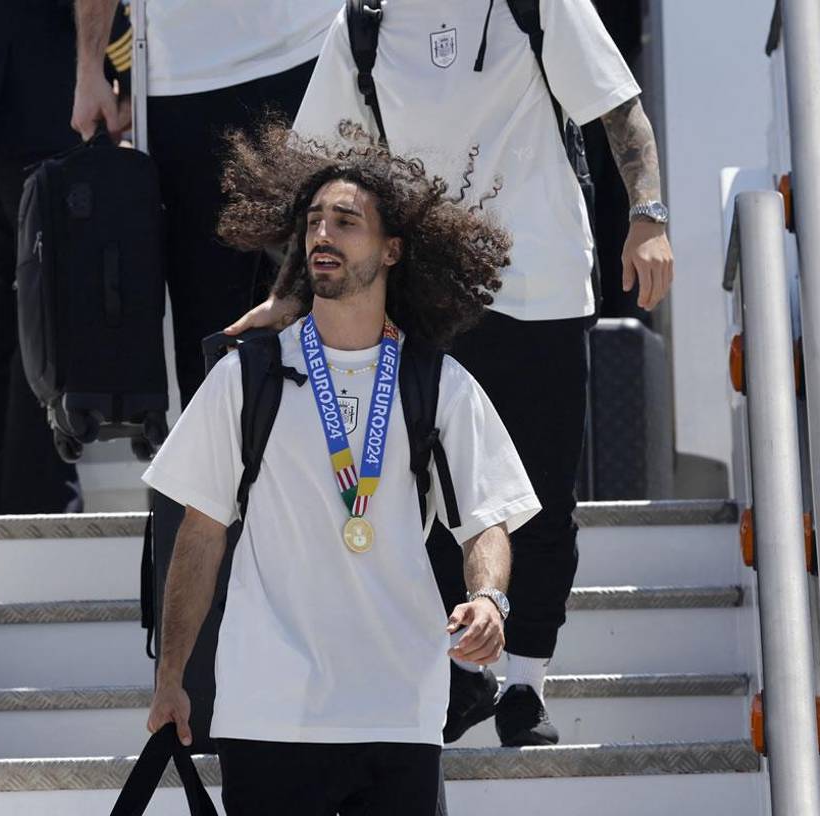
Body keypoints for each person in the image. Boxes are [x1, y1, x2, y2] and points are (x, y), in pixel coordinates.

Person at [227, 0, 675, 747]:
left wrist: (648, 215)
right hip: (429, 297)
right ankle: (461, 670)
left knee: (539, 496)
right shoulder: (365, 22)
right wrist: (287, 294)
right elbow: (320, 168)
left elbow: (619, 107)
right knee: (421, 492)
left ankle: (525, 688)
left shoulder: (540, 5)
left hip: (544, 286)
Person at [141, 124, 540, 816]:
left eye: (346, 221)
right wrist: (170, 677)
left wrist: (489, 600)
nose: (323, 234)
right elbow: (200, 536)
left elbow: (487, 522)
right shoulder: (248, 377)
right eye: (314, 221)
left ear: (391, 250)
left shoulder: (436, 383)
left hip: (398, 710)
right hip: (266, 713)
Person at [71, 0, 343, 407]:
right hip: (185, 78)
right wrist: (90, 68)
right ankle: (220, 466)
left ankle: (347, 464)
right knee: (211, 326)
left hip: (313, 47)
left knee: (338, 295)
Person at [0, 0, 130, 514]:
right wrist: (126, 66)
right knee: (48, 309)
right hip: (37, 92)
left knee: (0, 313)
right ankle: (37, 507)